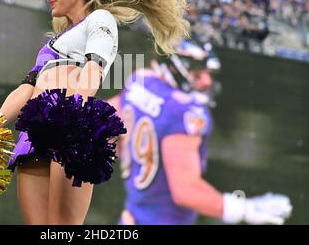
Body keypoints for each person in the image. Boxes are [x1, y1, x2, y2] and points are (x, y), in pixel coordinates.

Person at [0, 0, 190, 224]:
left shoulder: (100, 20)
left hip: (70, 126)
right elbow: (27, 88)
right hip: (34, 130)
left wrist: (71, 114)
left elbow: (93, 70)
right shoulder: (55, 42)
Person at [107, 40, 293, 225]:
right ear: (173, 68)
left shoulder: (141, 82)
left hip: (131, 218)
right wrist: (244, 209)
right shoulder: (186, 112)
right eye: (198, 72)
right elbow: (185, 192)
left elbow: (101, 123)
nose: (207, 80)